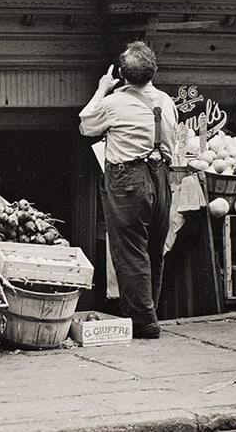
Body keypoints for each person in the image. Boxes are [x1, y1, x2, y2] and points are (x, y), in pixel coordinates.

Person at [79, 41, 177, 339]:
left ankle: (143, 320)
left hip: (129, 180)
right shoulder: (166, 102)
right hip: (160, 177)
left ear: (121, 73)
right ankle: (148, 311)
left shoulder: (113, 103)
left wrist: (102, 88)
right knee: (153, 249)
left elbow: (85, 124)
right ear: (153, 72)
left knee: (130, 250)